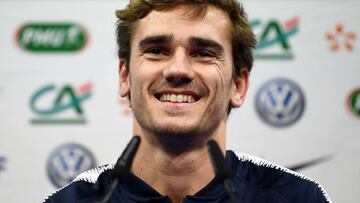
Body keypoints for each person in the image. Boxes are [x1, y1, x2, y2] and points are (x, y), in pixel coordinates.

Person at [44, 0, 332, 202]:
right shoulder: (70, 201)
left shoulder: (299, 197)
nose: (178, 70)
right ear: (125, 76)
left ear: (239, 85)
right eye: (157, 50)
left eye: (203, 53)